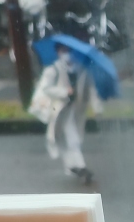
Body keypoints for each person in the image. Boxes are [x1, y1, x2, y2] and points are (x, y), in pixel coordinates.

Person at [29, 44, 102, 183]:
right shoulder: (53, 70)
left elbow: (91, 89)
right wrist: (64, 92)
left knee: (71, 137)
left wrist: (97, 108)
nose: (67, 54)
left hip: (74, 110)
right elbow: (45, 88)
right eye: (63, 51)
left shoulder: (82, 69)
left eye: (69, 50)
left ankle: (76, 166)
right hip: (58, 110)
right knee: (63, 138)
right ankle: (76, 166)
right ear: (58, 52)